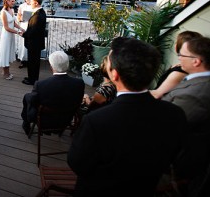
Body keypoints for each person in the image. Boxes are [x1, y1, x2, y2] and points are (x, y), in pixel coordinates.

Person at [68, 37, 187, 196]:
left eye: (109, 61)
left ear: (115, 75)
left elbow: (77, 164)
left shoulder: (96, 121)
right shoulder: (175, 115)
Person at [162, 37, 210, 191]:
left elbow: (165, 128)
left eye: (182, 54)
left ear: (196, 61)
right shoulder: (207, 79)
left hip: (174, 166)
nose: (179, 57)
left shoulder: (198, 95)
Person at [20, 50, 84, 135]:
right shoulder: (79, 83)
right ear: (67, 65)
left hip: (44, 121)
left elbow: (34, 102)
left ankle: (26, 122)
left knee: (27, 97)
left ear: (51, 67)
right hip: (67, 119)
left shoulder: (41, 85)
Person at [150, 30, 202, 99]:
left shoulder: (179, 72)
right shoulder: (182, 67)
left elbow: (157, 95)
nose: (175, 44)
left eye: (177, 42)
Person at [0, 0, 24, 80]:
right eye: (12, 1)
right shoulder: (3, 12)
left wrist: (21, 28)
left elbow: (14, 23)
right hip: (7, 35)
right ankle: (5, 73)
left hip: (11, 34)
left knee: (9, 52)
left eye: (14, 1)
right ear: (6, 1)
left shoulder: (12, 10)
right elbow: (7, 27)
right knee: (5, 53)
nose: (13, 2)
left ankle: (6, 72)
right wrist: (17, 32)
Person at [21, 0, 47, 85]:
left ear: (36, 3)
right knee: (34, 62)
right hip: (36, 43)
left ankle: (32, 80)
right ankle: (32, 78)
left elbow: (33, 31)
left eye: (31, 1)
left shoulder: (37, 15)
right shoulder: (41, 12)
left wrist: (23, 34)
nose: (29, 3)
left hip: (34, 43)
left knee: (33, 62)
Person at [17, 0, 33, 68]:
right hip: (23, 25)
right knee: (23, 44)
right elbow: (18, 15)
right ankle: (23, 60)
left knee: (30, 43)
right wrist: (20, 19)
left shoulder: (34, 5)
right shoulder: (21, 5)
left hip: (31, 26)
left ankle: (30, 60)